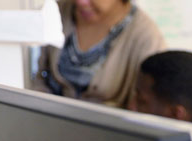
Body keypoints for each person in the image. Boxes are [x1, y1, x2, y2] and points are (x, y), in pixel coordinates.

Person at [31, 0, 165, 110]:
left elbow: (144, 108)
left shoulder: (146, 37)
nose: (80, 3)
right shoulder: (59, 11)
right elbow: (40, 75)